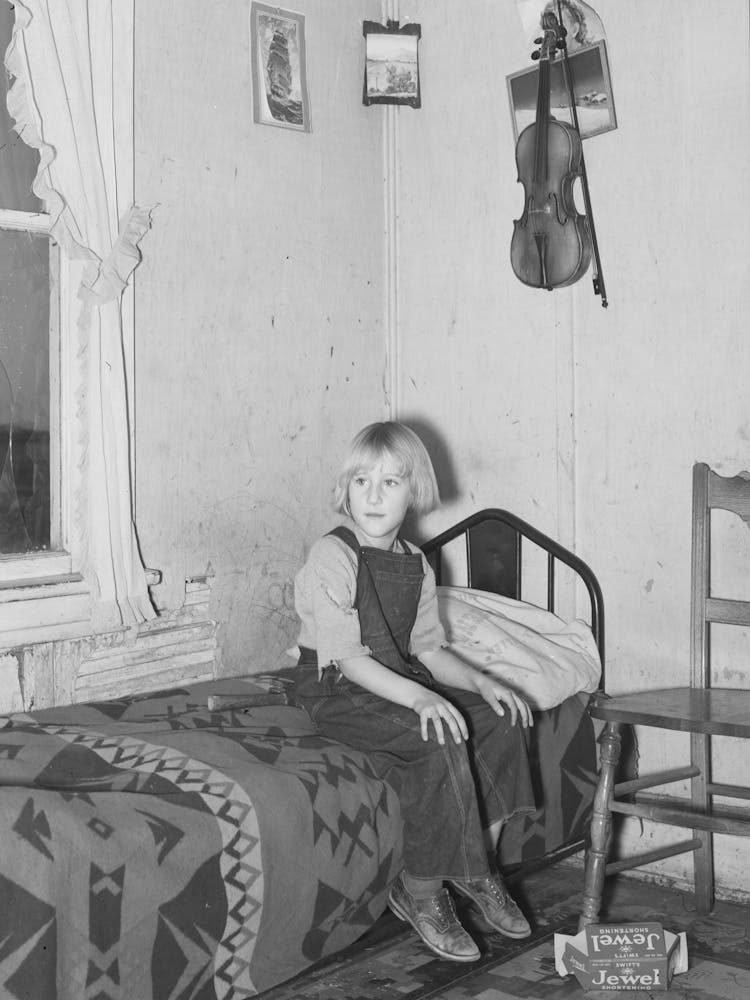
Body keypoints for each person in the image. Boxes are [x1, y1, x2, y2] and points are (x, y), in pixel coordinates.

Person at [293, 421, 535, 963]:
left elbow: (427, 651)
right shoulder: (333, 554)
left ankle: (478, 869)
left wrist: (481, 682)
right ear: (345, 490)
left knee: (502, 718)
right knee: (437, 732)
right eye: (361, 481)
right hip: (337, 682)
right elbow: (350, 660)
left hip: (397, 672)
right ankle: (421, 890)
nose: (373, 496)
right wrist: (423, 699)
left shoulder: (417, 563)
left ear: (414, 491)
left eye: (390, 482)